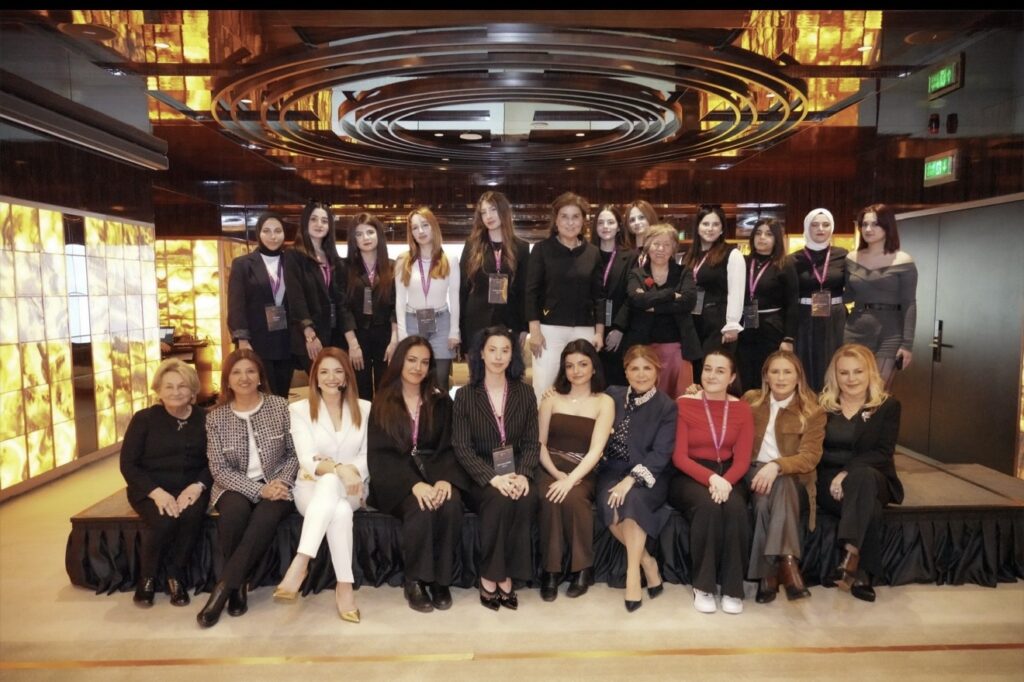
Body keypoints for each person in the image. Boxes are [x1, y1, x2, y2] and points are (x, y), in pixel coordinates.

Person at [367, 336, 470, 613]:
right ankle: (415, 580)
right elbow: (380, 455)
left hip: (436, 472)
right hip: (397, 480)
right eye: (412, 360)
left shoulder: (441, 401)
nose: (417, 367)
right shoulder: (382, 402)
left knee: (451, 503)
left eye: (424, 362)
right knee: (420, 507)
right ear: (400, 361)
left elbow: (450, 446)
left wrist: (445, 479)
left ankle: (441, 581)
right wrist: (413, 484)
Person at [197, 349, 298, 628]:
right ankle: (238, 586)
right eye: (237, 372)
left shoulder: (280, 406)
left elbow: (294, 453)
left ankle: (224, 588)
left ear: (260, 376)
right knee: (234, 514)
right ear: (227, 380)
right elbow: (219, 469)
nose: (244, 377)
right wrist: (257, 490)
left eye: (250, 371)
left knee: (266, 515)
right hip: (233, 484)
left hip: (277, 482)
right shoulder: (215, 418)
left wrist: (280, 483)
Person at [274, 348, 370, 623]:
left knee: (337, 494)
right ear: (315, 376)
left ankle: (301, 561)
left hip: (354, 488)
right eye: (324, 371)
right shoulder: (299, 410)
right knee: (338, 509)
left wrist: (349, 473)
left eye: (338, 371)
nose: (331, 377)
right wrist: (340, 469)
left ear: (347, 377)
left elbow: (367, 455)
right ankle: (345, 587)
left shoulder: (365, 408)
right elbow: (307, 459)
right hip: (311, 489)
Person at [452, 326, 538, 610]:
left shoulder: (526, 393)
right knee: (498, 500)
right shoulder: (465, 395)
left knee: (525, 498)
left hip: (516, 470)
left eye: (505, 350)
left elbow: (532, 442)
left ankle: (508, 573)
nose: (498, 357)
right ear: (481, 354)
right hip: (479, 475)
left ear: (513, 355)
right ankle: (492, 575)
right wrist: (493, 478)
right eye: (492, 350)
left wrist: (523, 475)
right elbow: (462, 448)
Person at [668, 350, 753, 614]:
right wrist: (712, 478)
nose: (712, 375)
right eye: (707, 369)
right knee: (707, 506)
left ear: (732, 377)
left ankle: (732, 588)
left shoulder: (742, 409)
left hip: (728, 473)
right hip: (689, 473)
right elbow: (679, 457)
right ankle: (703, 586)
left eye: (720, 370)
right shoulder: (684, 404)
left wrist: (725, 481)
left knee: (736, 508)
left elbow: (742, 460)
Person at [817, 343, 904, 602]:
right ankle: (860, 570)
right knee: (870, 508)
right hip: (828, 482)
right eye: (844, 372)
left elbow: (883, 452)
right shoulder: (822, 405)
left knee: (862, 477)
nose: (851, 379)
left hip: (874, 477)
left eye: (858, 371)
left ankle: (851, 552)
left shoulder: (887, 406)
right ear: (835, 375)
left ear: (870, 373)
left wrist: (846, 472)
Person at [120, 359, 210, 608]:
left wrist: (198, 486)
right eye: (169, 386)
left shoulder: (206, 418)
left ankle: (175, 575)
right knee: (164, 520)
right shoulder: (144, 419)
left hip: (191, 487)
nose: (175, 392)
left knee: (191, 517)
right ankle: (147, 577)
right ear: (158, 390)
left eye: (182, 386)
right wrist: (156, 492)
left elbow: (214, 461)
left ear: (193, 390)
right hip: (150, 488)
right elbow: (128, 464)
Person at [741, 350, 826, 604]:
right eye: (775, 372)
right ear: (765, 376)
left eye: (787, 372)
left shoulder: (812, 410)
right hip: (753, 472)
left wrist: (777, 466)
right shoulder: (751, 401)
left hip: (794, 478)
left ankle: (767, 574)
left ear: (798, 377)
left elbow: (809, 457)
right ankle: (788, 563)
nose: (780, 378)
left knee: (767, 499)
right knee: (771, 488)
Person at [597, 345, 677, 612]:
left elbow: (661, 453)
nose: (641, 374)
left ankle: (632, 575)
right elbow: (584, 402)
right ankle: (647, 562)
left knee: (631, 501)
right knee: (610, 502)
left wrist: (631, 479)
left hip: (650, 473)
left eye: (647, 368)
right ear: (626, 371)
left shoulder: (667, 406)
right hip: (611, 470)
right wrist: (553, 393)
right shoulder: (612, 395)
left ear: (657, 370)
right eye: (634, 368)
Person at [536, 339, 615, 600]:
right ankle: (551, 571)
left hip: (584, 469)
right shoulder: (551, 398)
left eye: (582, 364)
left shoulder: (604, 402)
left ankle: (582, 568)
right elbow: (540, 444)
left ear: (594, 368)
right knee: (550, 496)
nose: (576, 371)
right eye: (569, 366)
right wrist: (557, 474)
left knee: (574, 498)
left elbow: (597, 449)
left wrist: (570, 480)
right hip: (549, 466)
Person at [525, 192, 604, 402]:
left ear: (583, 220)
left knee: (582, 385)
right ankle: (542, 424)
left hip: (584, 329)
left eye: (575, 217)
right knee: (545, 385)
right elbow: (531, 292)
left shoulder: (593, 253)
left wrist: (599, 332)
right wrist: (534, 330)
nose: (570, 222)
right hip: (549, 329)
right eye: (564, 216)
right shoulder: (542, 250)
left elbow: (599, 297)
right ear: (556, 220)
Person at [621, 223, 699, 398]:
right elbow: (636, 300)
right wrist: (671, 295)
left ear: (673, 248)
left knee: (681, 398)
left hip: (679, 348)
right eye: (656, 244)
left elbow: (688, 302)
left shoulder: (684, 272)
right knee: (646, 398)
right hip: (645, 347)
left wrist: (652, 304)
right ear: (648, 246)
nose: (661, 249)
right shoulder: (637, 274)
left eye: (666, 244)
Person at [844, 203, 917, 386]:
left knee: (878, 391)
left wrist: (907, 344)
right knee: (852, 386)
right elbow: (847, 296)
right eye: (864, 224)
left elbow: (909, 303)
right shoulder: (851, 258)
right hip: (855, 330)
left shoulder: (903, 260)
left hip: (890, 333)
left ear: (887, 226)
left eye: (875, 224)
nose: (868, 229)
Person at [228, 212, 294, 397]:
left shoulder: (292, 262)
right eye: (267, 231)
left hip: (286, 341)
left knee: (281, 395)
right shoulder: (243, 264)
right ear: (258, 233)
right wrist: (242, 339)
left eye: (278, 231)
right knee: (261, 394)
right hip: (257, 342)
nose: (273, 236)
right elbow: (236, 304)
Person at [395, 208, 460, 391]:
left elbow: (454, 296)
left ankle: (439, 411)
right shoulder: (403, 260)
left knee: (440, 381)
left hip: (442, 322)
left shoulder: (450, 259)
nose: (421, 231)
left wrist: (454, 330)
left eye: (425, 225)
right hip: (412, 322)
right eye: (415, 228)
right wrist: (402, 333)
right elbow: (400, 299)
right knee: (414, 379)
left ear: (434, 227)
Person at [459, 191, 530, 353]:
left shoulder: (521, 247)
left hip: (509, 322)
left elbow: (524, 291)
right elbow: (463, 289)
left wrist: (524, 327)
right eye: (483, 212)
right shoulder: (472, 246)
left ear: (503, 211)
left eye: (493, 210)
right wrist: (459, 328)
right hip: (475, 322)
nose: (488, 216)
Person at [284, 201, 348, 374]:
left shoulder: (333, 257)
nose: (319, 224)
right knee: (319, 382)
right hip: (310, 335)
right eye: (314, 219)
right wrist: (309, 334)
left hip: (334, 333)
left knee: (336, 382)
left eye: (324, 221)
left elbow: (340, 299)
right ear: (305, 222)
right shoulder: (293, 254)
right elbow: (296, 297)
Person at [737, 218, 798, 393]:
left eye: (768, 234)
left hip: (771, 328)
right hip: (745, 327)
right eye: (758, 233)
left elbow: (792, 303)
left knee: (769, 375)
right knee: (746, 375)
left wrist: (788, 338)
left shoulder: (785, 265)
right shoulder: (743, 262)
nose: (762, 237)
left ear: (776, 239)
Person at [342, 212, 397, 400]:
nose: (365, 238)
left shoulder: (393, 266)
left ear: (378, 235)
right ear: (353, 240)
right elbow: (343, 308)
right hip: (357, 337)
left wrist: (394, 341)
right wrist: (353, 344)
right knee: (361, 392)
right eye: (359, 234)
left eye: (370, 232)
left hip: (386, 338)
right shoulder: (345, 268)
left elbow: (396, 307)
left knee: (386, 392)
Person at [680, 205, 744, 367]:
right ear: (697, 227)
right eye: (705, 224)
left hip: (717, 322)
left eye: (715, 224)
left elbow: (736, 292)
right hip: (692, 322)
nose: (710, 228)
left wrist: (732, 324)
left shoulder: (732, 254)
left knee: (713, 367)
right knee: (694, 370)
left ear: (722, 229)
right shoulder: (688, 256)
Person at [792, 208, 847, 392]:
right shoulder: (794, 259)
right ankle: (808, 406)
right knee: (805, 364)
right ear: (807, 227)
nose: (820, 229)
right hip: (804, 317)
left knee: (835, 362)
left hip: (835, 317)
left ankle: (833, 405)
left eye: (826, 224)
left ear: (832, 227)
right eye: (815, 225)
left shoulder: (843, 255)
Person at [590, 204, 636, 387]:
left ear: (618, 226)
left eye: (610, 222)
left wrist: (619, 328)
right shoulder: (587, 253)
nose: (605, 226)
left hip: (617, 328)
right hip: (589, 326)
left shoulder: (631, 257)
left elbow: (631, 296)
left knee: (615, 382)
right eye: (601, 222)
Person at [624, 199, 659, 267]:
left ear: (650, 217)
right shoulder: (625, 253)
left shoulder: (660, 249)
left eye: (641, 217)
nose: (636, 222)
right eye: (632, 220)